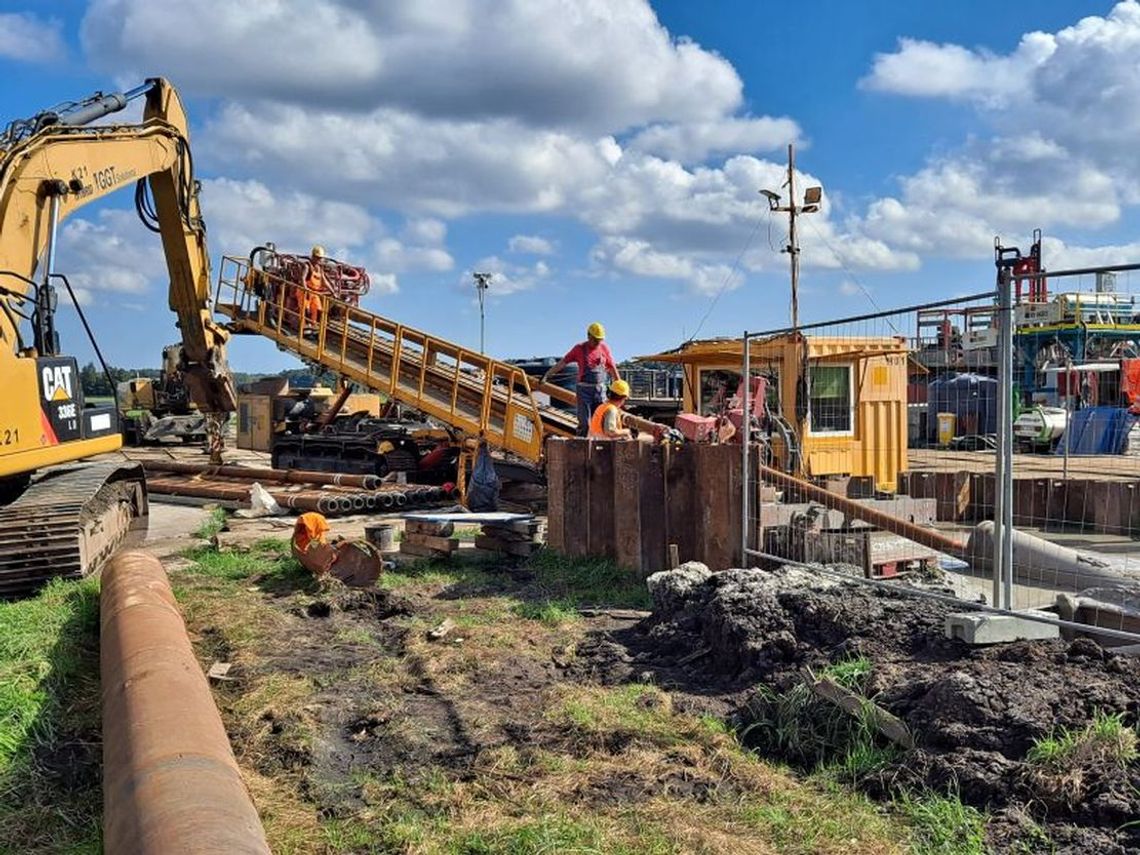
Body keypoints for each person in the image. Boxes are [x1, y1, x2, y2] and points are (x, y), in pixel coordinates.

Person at [543, 322, 620, 436]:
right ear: (588, 336)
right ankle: (581, 445)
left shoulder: (604, 348)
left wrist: (620, 385)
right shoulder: (579, 349)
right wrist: (547, 374)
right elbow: (562, 363)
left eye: (600, 340)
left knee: (602, 420)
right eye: (595, 339)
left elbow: (612, 367)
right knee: (585, 423)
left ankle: (600, 446)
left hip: (600, 390)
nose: (598, 342)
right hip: (584, 391)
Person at [301, 245, 328, 330]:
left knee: (318, 309)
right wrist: (306, 290)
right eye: (317, 258)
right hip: (304, 291)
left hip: (314, 292)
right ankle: (305, 326)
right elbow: (303, 278)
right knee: (306, 309)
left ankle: (314, 327)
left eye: (320, 258)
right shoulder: (307, 266)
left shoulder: (319, 268)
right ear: (313, 256)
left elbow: (325, 281)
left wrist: (333, 291)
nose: (319, 260)